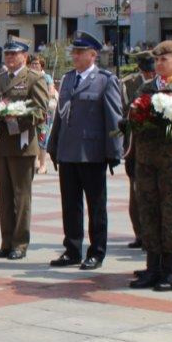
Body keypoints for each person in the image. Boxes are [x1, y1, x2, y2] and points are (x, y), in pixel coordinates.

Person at [47, 32, 123, 272]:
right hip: (68, 151)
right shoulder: (68, 79)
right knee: (70, 205)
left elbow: (114, 118)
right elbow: (60, 115)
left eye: (80, 52)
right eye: (74, 52)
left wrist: (114, 152)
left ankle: (97, 251)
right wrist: (53, 145)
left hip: (92, 153)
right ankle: (72, 249)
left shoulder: (105, 80)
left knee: (96, 206)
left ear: (93, 55)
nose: (75, 56)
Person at [0, 39, 50, 260]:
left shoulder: (34, 78)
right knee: (4, 196)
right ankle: (6, 242)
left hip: (22, 144)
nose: (9, 59)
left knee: (21, 196)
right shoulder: (0, 79)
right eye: (7, 55)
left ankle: (20, 243)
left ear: (25, 56)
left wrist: (17, 118)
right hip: (2, 143)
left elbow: (41, 111)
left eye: (14, 55)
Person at [130, 40, 172, 291]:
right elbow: (134, 120)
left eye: (164, 59)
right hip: (147, 160)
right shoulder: (146, 87)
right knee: (148, 211)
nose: (159, 63)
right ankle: (152, 267)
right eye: (157, 60)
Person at [121, 52, 157, 249]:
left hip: (160, 147)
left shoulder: (167, 82)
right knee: (136, 191)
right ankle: (140, 234)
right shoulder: (129, 84)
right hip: (135, 145)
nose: (152, 73)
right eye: (149, 69)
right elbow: (124, 109)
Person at [28, 55, 57, 174]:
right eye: (33, 63)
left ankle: (43, 164)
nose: (34, 66)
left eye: (37, 64)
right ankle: (34, 163)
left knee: (42, 138)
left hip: (44, 112)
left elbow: (50, 91)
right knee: (31, 138)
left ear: (41, 65)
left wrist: (41, 98)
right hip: (30, 112)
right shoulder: (27, 76)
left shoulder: (46, 77)